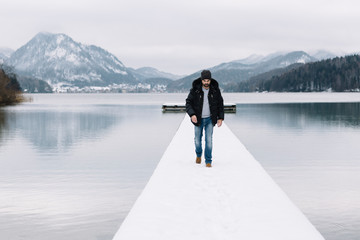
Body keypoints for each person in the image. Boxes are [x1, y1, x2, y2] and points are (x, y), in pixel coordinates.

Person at [185, 70, 224, 168]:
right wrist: (192, 114)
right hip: (198, 119)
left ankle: (208, 161)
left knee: (209, 140)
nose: (206, 82)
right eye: (204, 80)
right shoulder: (195, 90)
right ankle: (198, 155)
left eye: (208, 80)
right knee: (197, 140)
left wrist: (220, 118)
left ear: (210, 80)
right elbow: (188, 103)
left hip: (210, 119)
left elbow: (220, 104)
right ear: (201, 80)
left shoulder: (215, 90)